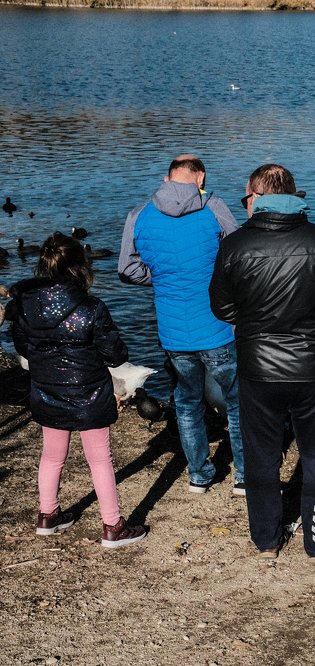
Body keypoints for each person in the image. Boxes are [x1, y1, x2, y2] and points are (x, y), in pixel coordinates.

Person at [209, 163, 315, 561]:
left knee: (261, 457)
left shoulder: (235, 245)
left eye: (245, 197)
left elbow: (221, 308)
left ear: (257, 197)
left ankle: (267, 540)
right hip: (313, 367)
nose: (244, 204)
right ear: (292, 195)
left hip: (258, 368)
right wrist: (312, 313)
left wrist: (255, 320)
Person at [8, 233, 148, 548]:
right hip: (89, 393)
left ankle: (48, 516)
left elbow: (22, 347)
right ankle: (113, 526)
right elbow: (116, 355)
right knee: (99, 459)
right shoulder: (91, 307)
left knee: (51, 455)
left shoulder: (24, 305)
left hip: (46, 389)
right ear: (80, 267)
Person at [118, 155, 245, 495]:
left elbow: (127, 269)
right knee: (237, 401)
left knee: (187, 402)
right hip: (217, 325)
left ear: (167, 178)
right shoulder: (213, 205)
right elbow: (239, 253)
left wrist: (162, 277)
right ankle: (244, 476)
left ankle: (199, 476)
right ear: (200, 178)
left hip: (173, 331)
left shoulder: (139, 214)